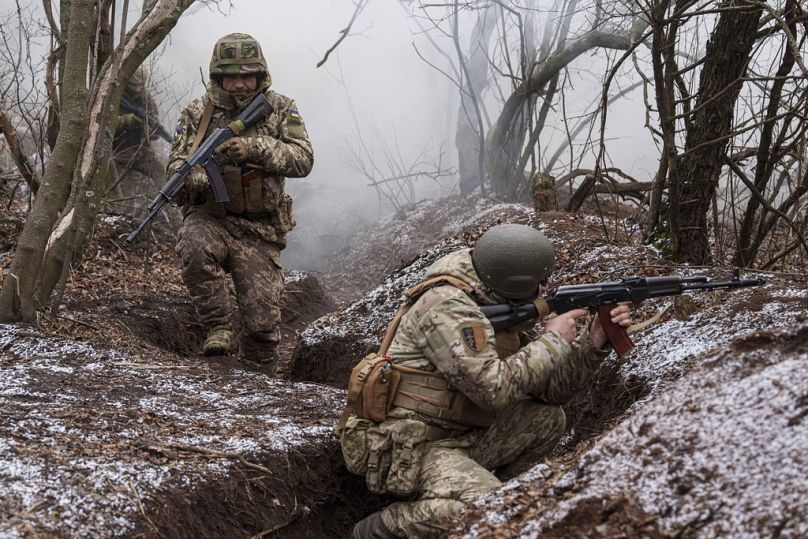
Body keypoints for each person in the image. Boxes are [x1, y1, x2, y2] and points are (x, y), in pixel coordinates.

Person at [337, 224, 633, 538]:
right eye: (540, 282)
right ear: (514, 282)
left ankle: (492, 494)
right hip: (410, 446)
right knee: (491, 512)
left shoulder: (492, 297)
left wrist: (594, 342)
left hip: (459, 434)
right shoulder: (446, 307)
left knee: (546, 419)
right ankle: (378, 529)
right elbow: (493, 390)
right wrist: (553, 341)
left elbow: (551, 391)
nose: (546, 288)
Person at [168, 33, 313, 371]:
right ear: (218, 78)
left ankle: (261, 380)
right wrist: (191, 175)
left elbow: (303, 159)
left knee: (262, 327)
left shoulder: (280, 108)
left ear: (259, 75)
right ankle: (218, 326)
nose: (238, 84)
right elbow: (175, 161)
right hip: (212, 218)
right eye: (230, 76)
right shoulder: (196, 113)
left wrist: (257, 149)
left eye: (246, 75)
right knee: (193, 245)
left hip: (259, 229)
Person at [107, 68, 167, 219]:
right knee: (125, 193)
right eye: (134, 85)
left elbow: (154, 131)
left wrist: (146, 128)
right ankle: (122, 221)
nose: (137, 89)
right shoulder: (114, 96)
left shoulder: (146, 100)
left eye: (140, 85)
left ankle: (170, 206)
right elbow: (102, 126)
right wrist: (124, 121)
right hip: (115, 155)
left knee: (161, 172)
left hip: (140, 151)